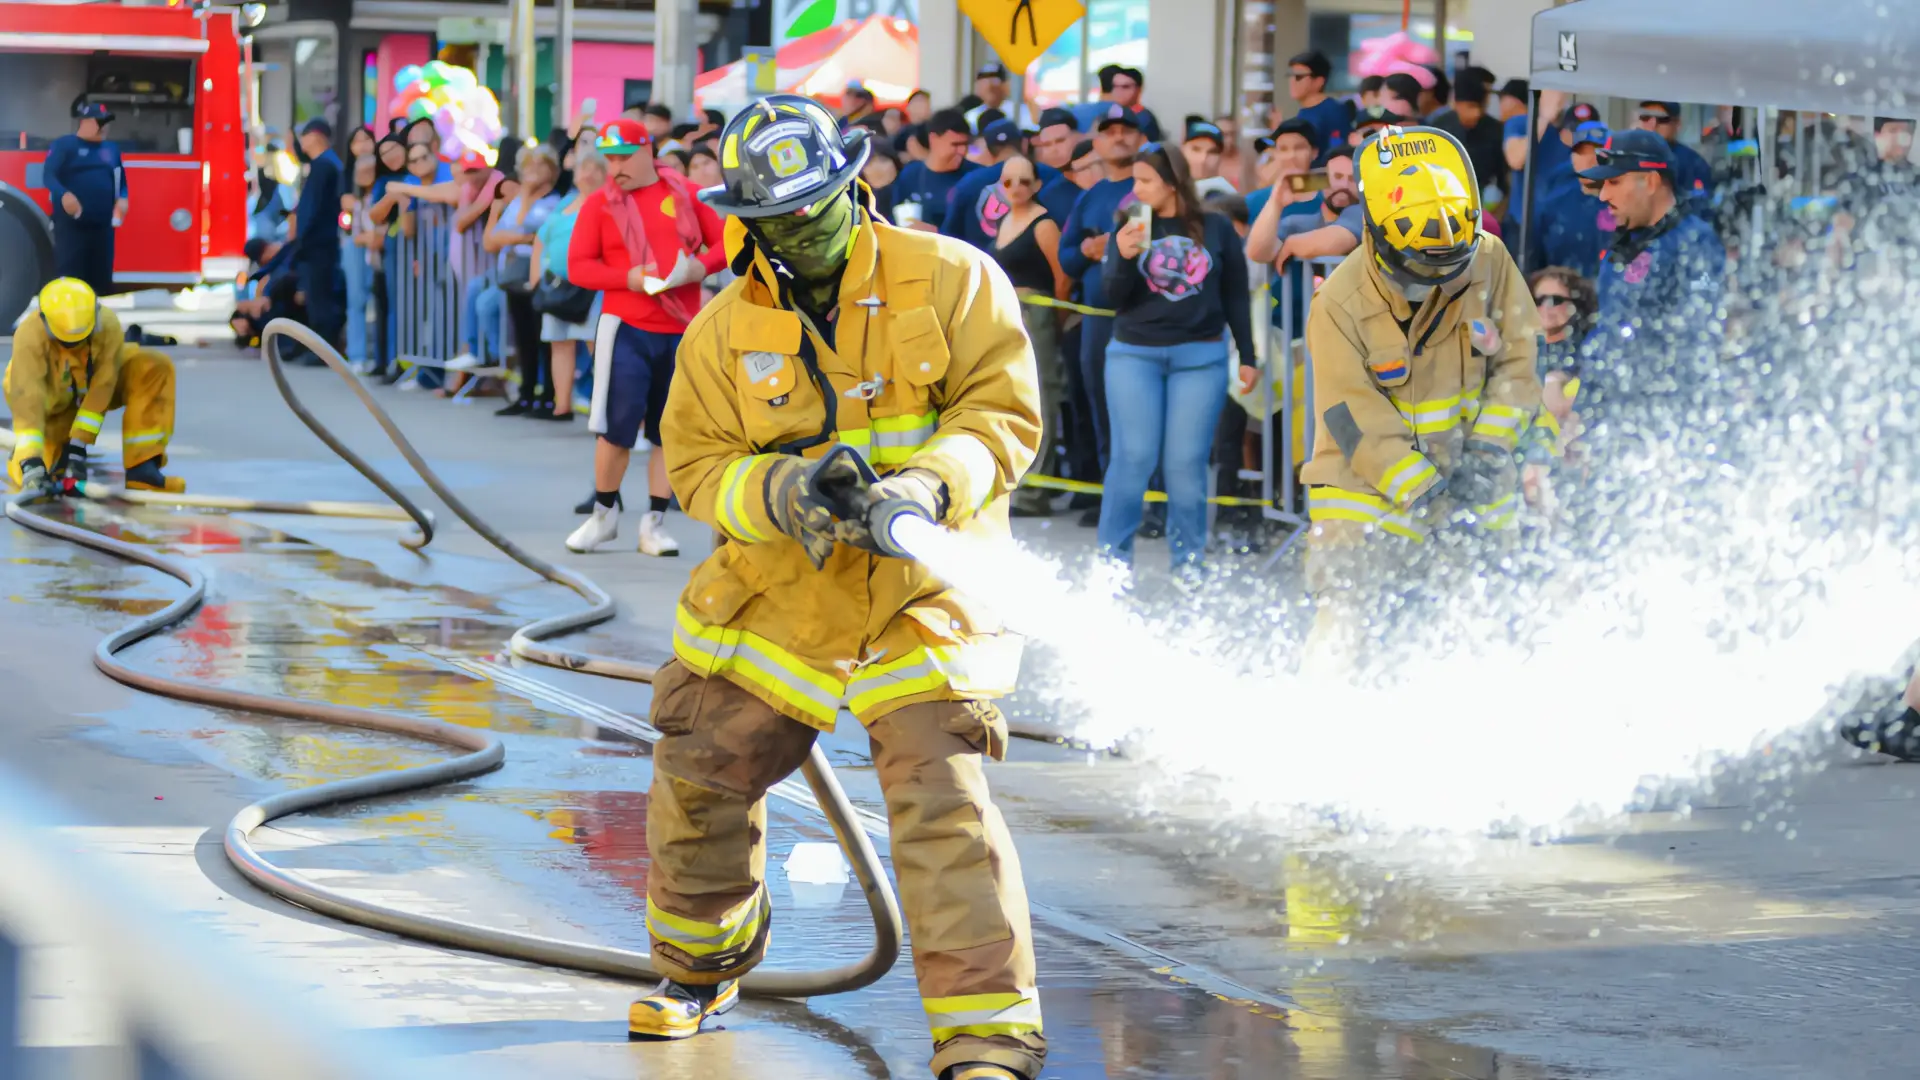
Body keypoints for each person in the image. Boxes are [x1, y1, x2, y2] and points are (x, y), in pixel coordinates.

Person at [638, 94, 1047, 1080]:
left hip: (923, 591)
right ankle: (701, 969)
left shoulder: (952, 278)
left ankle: (986, 1042)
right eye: (779, 221)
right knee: (700, 773)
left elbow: (1001, 413)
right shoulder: (722, 332)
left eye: (819, 209)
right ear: (747, 220)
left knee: (937, 795)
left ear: (856, 184)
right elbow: (694, 466)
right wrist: (784, 489)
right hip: (782, 596)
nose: (804, 235)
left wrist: (920, 485)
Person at [1300, 126, 1542, 669]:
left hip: (1471, 476)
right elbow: (1349, 414)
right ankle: (1317, 724)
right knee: (1347, 615)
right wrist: (1422, 488)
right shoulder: (1338, 302)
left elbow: (1521, 361)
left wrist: (1487, 451)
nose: (1430, 282)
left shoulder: (1489, 259)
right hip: (1365, 486)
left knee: (1475, 618)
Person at [565, 118, 726, 556]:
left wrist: (698, 269)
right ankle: (603, 516)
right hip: (626, 327)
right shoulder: (599, 204)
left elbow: (726, 242)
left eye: (623, 156)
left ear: (646, 151)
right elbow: (578, 266)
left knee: (667, 431)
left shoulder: (688, 195)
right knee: (614, 428)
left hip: (680, 327)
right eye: (609, 157)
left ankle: (654, 523)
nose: (614, 166)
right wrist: (629, 278)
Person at [1096, 141, 1257, 572]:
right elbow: (1113, 295)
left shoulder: (1216, 228)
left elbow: (1236, 296)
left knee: (1186, 463)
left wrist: (1248, 354)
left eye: (1145, 180)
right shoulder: (1128, 224)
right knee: (1134, 457)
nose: (1137, 189)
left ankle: (1189, 565)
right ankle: (1112, 564)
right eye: (1135, 180)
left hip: (1199, 357)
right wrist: (1125, 259)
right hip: (1134, 354)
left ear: (1171, 182)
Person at [1575, 128, 1726, 426]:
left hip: (1661, 421)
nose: (1604, 195)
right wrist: (1583, 415)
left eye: (1615, 182)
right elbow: (1608, 334)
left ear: (1652, 181)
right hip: (1612, 419)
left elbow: (1696, 341)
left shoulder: (1694, 243)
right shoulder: (1625, 243)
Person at [8, 278, 180, 496]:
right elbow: (27, 400)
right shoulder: (29, 336)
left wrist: (79, 446)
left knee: (152, 367)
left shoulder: (107, 324)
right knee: (41, 476)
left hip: (88, 391)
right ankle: (37, 458)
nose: (74, 346)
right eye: (67, 343)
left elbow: (104, 385)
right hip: (51, 405)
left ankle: (143, 467)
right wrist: (31, 460)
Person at [1058, 104, 1146, 518]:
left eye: (1127, 130)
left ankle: (1152, 500)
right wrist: (1090, 249)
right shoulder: (1090, 197)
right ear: (1096, 143)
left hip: (1142, 314)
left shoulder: (1151, 187)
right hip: (1096, 315)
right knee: (1101, 404)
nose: (1119, 137)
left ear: (1141, 139)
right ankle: (1115, 497)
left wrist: (1106, 246)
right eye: (1109, 131)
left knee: (1141, 409)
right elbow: (1068, 257)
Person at [991, 151, 1072, 517]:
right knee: (1016, 395)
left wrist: (1055, 315)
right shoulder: (1005, 220)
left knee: (1042, 397)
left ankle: (1036, 490)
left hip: (1037, 311)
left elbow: (1062, 275)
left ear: (1037, 185)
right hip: (1010, 314)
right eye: (1009, 181)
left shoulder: (1042, 223)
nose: (1016, 188)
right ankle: (1022, 484)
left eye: (1024, 181)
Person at [481, 143, 563, 416]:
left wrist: (515, 235)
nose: (532, 171)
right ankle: (526, 394)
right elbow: (493, 239)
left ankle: (548, 394)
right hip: (515, 275)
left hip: (540, 274)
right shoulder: (518, 200)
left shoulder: (554, 201)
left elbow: (539, 234)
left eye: (539, 166)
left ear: (552, 171)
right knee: (523, 337)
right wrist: (520, 233)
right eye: (528, 166)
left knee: (544, 338)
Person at [530, 149, 607, 425]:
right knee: (559, 342)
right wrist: (535, 276)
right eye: (580, 168)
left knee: (595, 344)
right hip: (556, 284)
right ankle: (562, 404)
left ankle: (603, 405)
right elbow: (542, 238)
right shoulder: (567, 202)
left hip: (591, 285)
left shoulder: (606, 201)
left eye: (590, 168)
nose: (583, 174)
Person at [42, 101, 127, 295]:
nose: (105, 127)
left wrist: (123, 197)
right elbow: (49, 175)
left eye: (106, 123)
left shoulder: (111, 149)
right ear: (85, 122)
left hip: (102, 224)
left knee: (100, 277)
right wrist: (64, 194)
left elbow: (120, 178)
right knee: (70, 276)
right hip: (72, 224)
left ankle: (96, 316)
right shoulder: (65, 145)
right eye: (100, 122)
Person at [284, 119, 346, 359]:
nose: (301, 143)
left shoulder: (324, 165)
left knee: (320, 297)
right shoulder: (325, 164)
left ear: (316, 137)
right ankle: (314, 347)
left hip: (318, 243)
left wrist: (302, 237)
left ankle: (323, 351)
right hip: (319, 242)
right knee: (315, 295)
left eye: (304, 136)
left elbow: (313, 208)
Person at [1528, 121, 1613, 278]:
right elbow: (1534, 263)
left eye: (1596, 151)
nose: (1587, 160)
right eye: (1580, 152)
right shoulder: (1552, 206)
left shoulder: (1625, 205)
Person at [891, 109, 981, 231]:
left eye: (965, 144)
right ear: (933, 139)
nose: (962, 151)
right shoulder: (910, 174)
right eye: (955, 145)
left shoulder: (977, 177)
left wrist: (937, 233)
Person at [1432, 71, 1509, 209]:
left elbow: (1504, 178)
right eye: (1471, 107)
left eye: (1480, 107)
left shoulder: (1496, 129)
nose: (1477, 113)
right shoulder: (1438, 129)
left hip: (1483, 206)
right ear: (1457, 104)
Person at [1636, 101, 1713, 215]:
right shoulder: (1627, 157)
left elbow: (1701, 211)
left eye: (1662, 119)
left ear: (1677, 123)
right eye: (1646, 117)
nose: (1653, 124)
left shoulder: (1692, 163)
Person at [1286, 51, 1352, 165]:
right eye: (1290, 76)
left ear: (1318, 81)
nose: (1291, 82)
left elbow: (1337, 152)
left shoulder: (1333, 111)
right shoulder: (1303, 112)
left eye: (1298, 77)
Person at [1181, 118, 1235, 197]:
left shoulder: (1225, 195)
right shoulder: (1167, 188)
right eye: (1196, 149)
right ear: (1182, 150)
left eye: (1212, 152)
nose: (1203, 159)